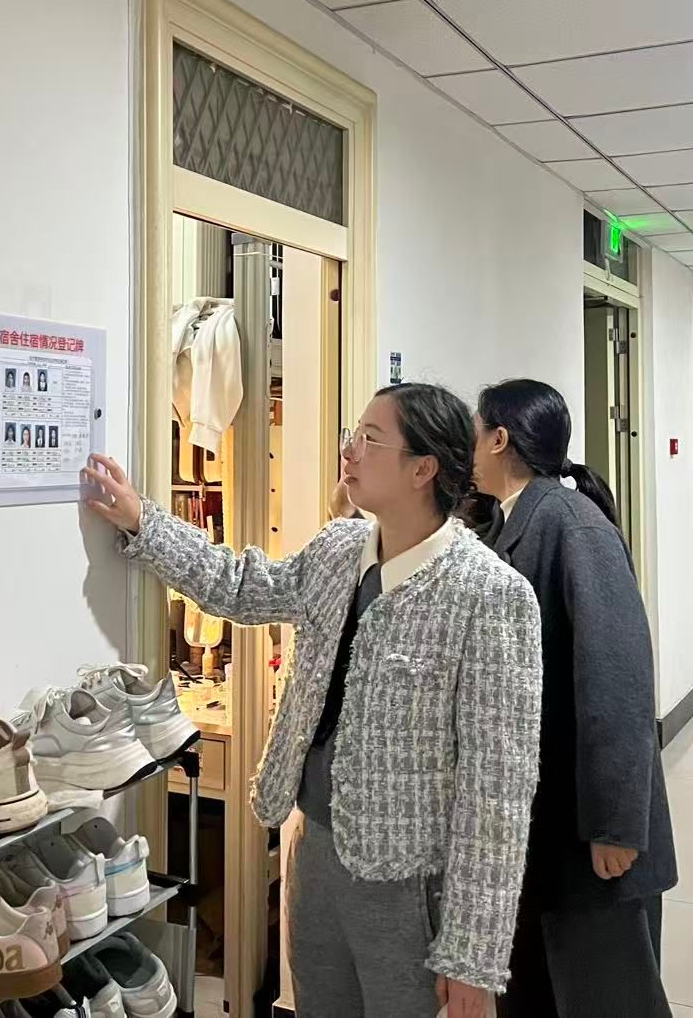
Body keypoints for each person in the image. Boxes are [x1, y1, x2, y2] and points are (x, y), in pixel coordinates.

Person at [83, 384, 542, 1018]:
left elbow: (499, 792)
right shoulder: (339, 550)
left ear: (423, 469)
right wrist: (144, 521)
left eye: (370, 439)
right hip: (316, 851)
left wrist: (472, 955)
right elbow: (243, 587)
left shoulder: (490, 595)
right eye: (353, 434)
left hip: (410, 881)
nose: (349, 451)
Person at [471, 378, 676, 1018]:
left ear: (499, 438)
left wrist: (616, 825)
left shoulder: (572, 526)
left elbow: (618, 683)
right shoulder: (513, 521)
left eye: (473, 432)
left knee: (606, 994)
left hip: (592, 833)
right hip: (547, 819)